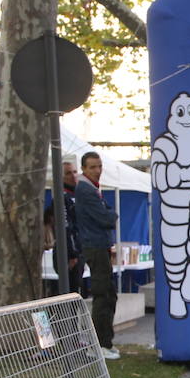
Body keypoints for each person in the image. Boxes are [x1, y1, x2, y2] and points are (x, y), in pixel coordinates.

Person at [74, 150, 120, 360]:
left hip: (99, 245)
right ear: (83, 168)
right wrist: (110, 214)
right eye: (92, 167)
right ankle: (100, 344)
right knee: (103, 294)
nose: (97, 171)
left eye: (99, 166)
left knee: (108, 293)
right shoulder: (85, 190)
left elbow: (107, 213)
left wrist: (108, 213)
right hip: (95, 245)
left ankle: (105, 342)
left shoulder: (92, 189)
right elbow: (107, 218)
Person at [58, 158, 83, 296]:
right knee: (69, 293)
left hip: (80, 249)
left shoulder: (80, 193)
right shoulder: (62, 196)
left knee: (77, 289)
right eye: (68, 173)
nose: (73, 175)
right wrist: (72, 254)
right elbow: (67, 227)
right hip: (68, 253)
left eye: (75, 172)